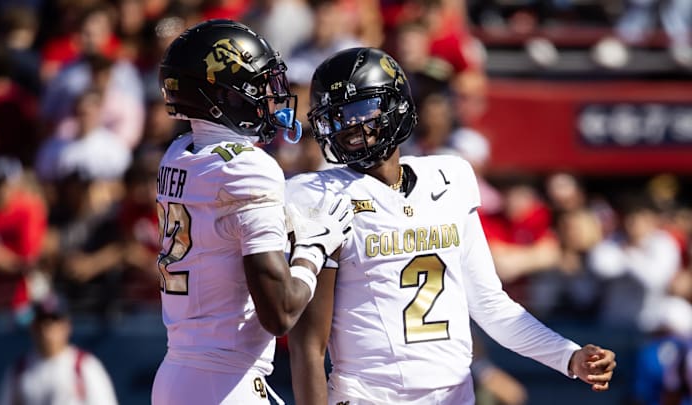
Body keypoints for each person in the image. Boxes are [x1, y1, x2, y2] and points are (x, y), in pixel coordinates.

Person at [285, 47, 617, 405]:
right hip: (370, 396)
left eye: (360, 110)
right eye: (336, 117)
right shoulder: (316, 194)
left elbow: (490, 305)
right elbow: (308, 344)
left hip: (455, 395)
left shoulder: (449, 177)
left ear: (397, 105)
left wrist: (567, 355)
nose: (349, 126)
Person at [150, 19, 353, 405]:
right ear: (222, 96)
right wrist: (314, 247)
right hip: (225, 382)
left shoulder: (179, 154)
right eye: (258, 86)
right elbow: (279, 313)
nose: (268, 96)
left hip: (178, 374)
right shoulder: (247, 168)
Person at [0, 293, 119, 405]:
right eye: (42, 322)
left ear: (67, 326)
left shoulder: (85, 365)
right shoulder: (19, 370)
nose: (47, 329)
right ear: (33, 327)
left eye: (54, 321)